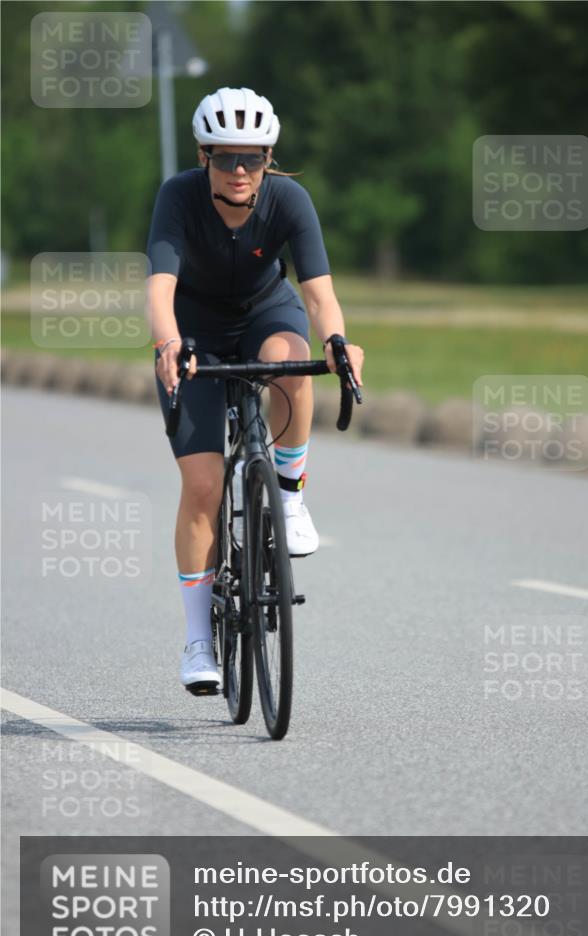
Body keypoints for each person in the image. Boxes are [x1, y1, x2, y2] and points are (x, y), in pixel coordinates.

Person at [146, 86, 365, 694]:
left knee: (291, 363)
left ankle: (289, 494)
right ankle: (198, 641)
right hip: (194, 331)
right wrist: (168, 345)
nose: (239, 170)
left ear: (269, 159)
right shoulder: (178, 197)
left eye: (253, 158)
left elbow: (319, 294)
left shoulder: (289, 199)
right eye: (225, 158)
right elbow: (160, 288)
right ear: (204, 157)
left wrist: (338, 342)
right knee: (202, 485)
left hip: (268, 312)